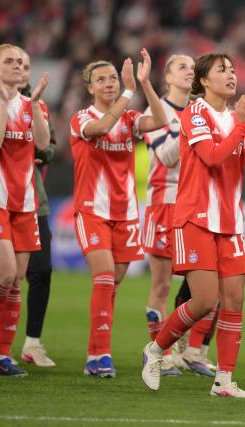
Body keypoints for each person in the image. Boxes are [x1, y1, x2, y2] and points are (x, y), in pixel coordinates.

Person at [141, 52, 245, 398]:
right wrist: (242, 125)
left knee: (233, 302)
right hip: (195, 219)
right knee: (204, 301)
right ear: (204, 81)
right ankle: (156, 350)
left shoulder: (237, 119)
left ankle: (224, 380)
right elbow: (213, 157)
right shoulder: (195, 113)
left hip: (230, 223)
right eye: (222, 70)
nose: (231, 75)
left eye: (233, 69)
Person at [70, 48, 166, 378]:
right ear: (89, 88)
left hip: (125, 215)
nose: (109, 83)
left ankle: (97, 350)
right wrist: (127, 92)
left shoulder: (128, 118)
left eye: (113, 77)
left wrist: (144, 83)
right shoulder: (81, 119)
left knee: (111, 285)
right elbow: (99, 129)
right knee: (105, 277)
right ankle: (98, 356)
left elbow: (161, 121)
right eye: (102, 79)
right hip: (92, 211)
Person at [0, 47, 57, 368]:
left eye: (24, 63)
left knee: (17, 279)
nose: (19, 66)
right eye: (11, 61)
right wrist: (5, 103)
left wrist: (32, 105)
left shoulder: (35, 105)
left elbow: (44, 144)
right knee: (3, 274)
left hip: (25, 202)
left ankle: (3, 353)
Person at [142, 54, 218, 378]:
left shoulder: (203, 110)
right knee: (161, 284)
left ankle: (192, 351)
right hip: (164, 202)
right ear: (168, 78)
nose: (190, 71)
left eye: (192, 67)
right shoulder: (155, 112)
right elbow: (168, 155)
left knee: (204, 284)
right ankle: (161, 353)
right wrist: (192, 126)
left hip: (198, 204)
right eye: (182, 67)